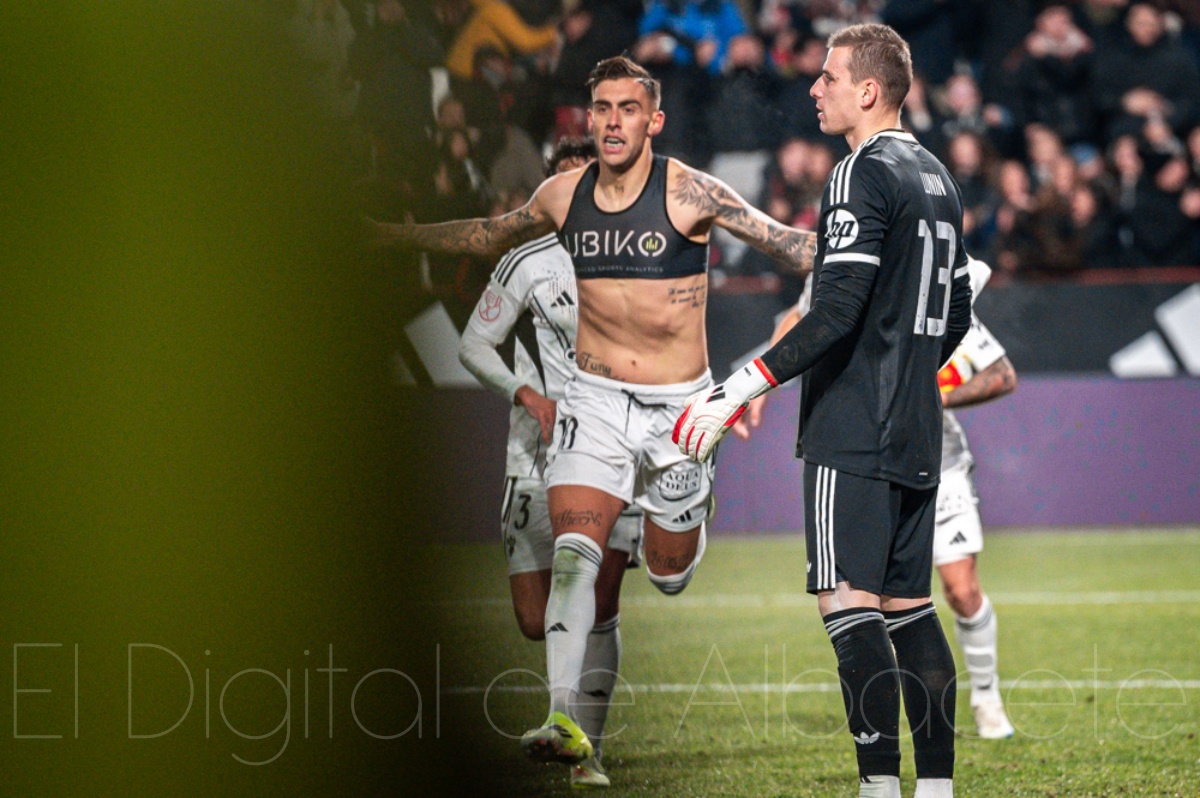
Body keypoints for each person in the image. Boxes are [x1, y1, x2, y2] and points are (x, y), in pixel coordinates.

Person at [373, 55, 817, 780]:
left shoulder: (689, 191)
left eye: (627, 108)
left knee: (669, 575)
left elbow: (788, 244)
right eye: (602, 107)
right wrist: (396, 235)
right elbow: (487, 234)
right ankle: (562, 718)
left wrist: (877, 254)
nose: (612, 121)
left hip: (677, 408)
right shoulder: (561, 194)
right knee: (576, 555)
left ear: (654, 120)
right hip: (594, 402)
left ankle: (689, 509)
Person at [674, 24, 972, 798]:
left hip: (853, 424)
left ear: (868, 91)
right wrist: (907, 369)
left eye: (829, 77)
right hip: (915, 425)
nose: (814, 88)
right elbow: (957, 314)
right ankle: (936, 789)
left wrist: (738, 387)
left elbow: (834, 311)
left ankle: (879, 787)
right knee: (910, 610)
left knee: (848, 606)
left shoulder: (859, 171)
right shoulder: (938, 176)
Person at [734, 259, 1019, 742]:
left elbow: (1001, 374)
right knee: (875, 601)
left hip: (937, 458)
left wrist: (929, 397)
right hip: (864, 459)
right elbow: (798, 314)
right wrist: (759, 385)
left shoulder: (929, 291)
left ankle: (986, 698)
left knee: (960, 589)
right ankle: (889, 725)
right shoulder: (845, 274)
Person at [456, 137, 638, 788]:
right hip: (533, 454)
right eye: (561, 182)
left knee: (598, 595)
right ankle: (571, 727)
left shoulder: (637, 258)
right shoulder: (527, 263)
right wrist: (526, 395)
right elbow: (473, 345)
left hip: (607, 454)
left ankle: (585, 750)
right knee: (536, 621)